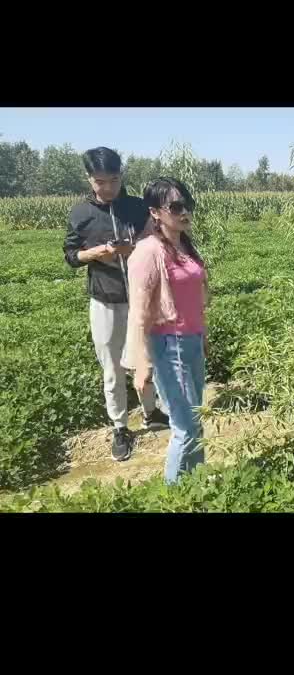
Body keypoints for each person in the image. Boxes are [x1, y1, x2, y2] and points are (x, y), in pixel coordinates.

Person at [63, 147, 168, 462]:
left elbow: (158, 241)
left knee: (146, 358)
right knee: (112, 367)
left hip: (141, 297)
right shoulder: (80, 213)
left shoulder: (137, 208)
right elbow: (71, 255)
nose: (108, 187)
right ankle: (120, 427)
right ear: (89, 179)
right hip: (105, 300)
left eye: (114, 180)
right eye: (100, 181)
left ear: (122, 175)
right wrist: (95, 254)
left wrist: (132, 249)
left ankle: (151, 413)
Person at [125, 178, 209, 485]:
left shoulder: (185, 245)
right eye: (176, 206)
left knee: (196, 422)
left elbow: (196, 301)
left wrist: (204, 338)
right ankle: (173, 496)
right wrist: (142, 365)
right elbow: (139, 311)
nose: (184, 212)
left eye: (188, 204)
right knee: (185, 428)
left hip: (193, 342)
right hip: (167, 346)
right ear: (155, 212)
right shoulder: (147, 252)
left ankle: (197, 484)